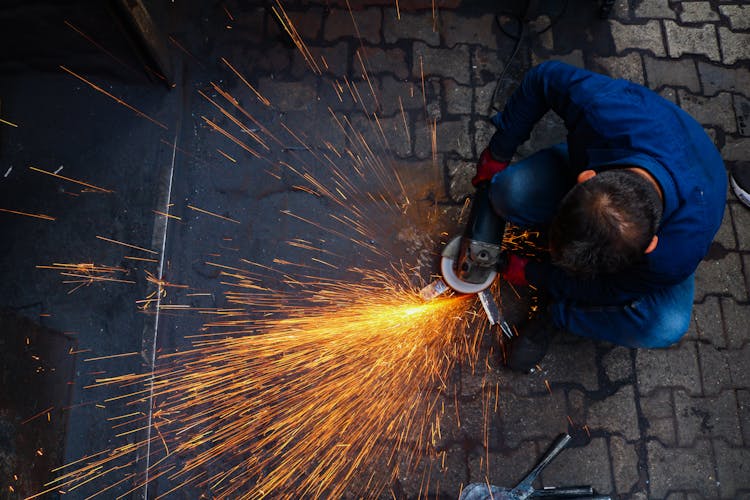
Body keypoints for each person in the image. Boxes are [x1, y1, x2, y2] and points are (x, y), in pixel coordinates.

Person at [472, 61, 727, 372]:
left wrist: (536, 275)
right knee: (507, 191)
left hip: (680, 216)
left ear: (649, 247)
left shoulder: (674, 254)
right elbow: (543, 77)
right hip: (625, 150)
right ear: (584, 178)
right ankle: (561, 268)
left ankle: (559, 315)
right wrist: (498, 153)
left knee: (666, 325)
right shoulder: (606, 111)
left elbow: (611, 290)